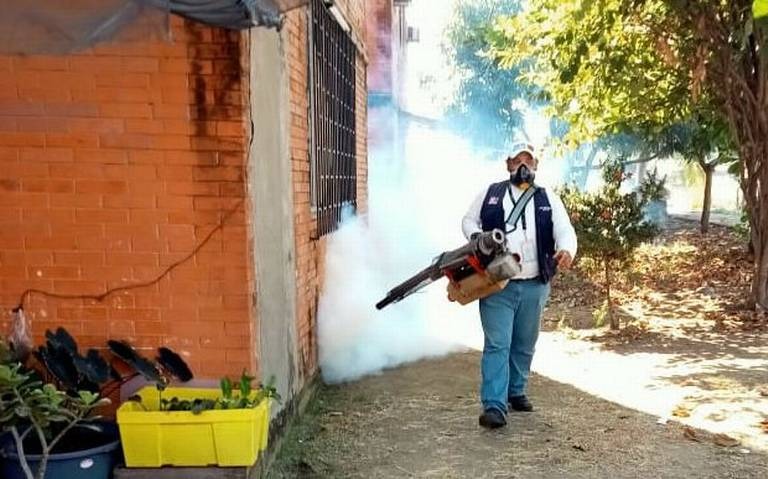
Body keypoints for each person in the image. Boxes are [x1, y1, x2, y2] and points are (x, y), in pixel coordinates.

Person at [462, 142, 577, 429]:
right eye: (517, 160)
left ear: (536, 165)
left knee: (525, 343)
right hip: (497, 283)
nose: (523, 166)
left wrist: (566, 249)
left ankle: (515, 390)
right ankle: (494, 405)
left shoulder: (547, 196)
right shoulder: (491, 193)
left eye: (528, 161)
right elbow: (468, 220)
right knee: (498, 343)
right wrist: (478, 237)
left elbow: (564, 229)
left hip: (535, 284)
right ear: (508, 164)